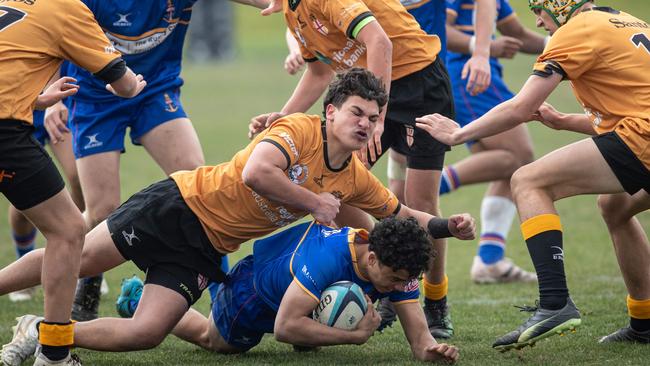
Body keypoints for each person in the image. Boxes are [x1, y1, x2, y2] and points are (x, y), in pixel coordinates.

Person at [0, 68, 474, 362]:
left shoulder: (353, 176)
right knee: (76, 257)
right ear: (330, 112)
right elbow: (255, 172)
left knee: (146, 333)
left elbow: (400, 212)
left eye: (374, 118)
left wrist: (445, 225)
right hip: (178, 207)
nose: (366, 124)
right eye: (357, 113)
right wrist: (314, 203)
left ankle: (40, 330)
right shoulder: (297, 131)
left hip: (206, 248)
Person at [415, 0, 650, 351]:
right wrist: (564, 121)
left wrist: (458, 135)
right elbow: (629, 109)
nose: (538, 22)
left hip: (643, 137)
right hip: (640, 130)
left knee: (527, 180)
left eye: (540, 11)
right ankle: (644, 320)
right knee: (615, 208)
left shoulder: (573, 31)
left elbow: (520, 107)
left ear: (560, 6)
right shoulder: (631, 22)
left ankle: (555, 303)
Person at [254, 0, 458, 340]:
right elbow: (319, 73)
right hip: (368, 98)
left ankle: (436, 300)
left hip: (419, 84)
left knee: (419, 202)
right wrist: (282, 116)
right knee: (337, 186)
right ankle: (386, 274)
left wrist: (377, 114)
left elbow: (382, 43)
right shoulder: (293, 12)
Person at [51, 0, 237, 322]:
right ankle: (89, 279)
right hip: (95, 98)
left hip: (153, 90)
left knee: (200, 185)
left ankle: (224, 295)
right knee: (102, 209)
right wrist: (50, 93)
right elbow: (52, 30)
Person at [0, 0, 146, 363]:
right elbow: (123, 83)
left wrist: (34, 98)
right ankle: (53, 352)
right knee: (68, 230)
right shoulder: (66, 7)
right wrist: (131, 86)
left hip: (12, 116)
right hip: (4, 134)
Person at [119, 217, 460, 362]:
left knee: (310, 332)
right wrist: (354, 337)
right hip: (254, 296)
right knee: (214, 340)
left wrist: (432, 349)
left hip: (299, 296)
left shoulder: (399, 264)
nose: (401, 287)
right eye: (397, 279)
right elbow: (284, 327)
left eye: (407, 280)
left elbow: (420, 340)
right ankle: (141, 299)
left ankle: (212, 263)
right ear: (371, 259)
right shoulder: (329, 258)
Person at [440, 0, 548, 284]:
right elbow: (442, 31)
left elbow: (520, 36)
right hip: (468, 77)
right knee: (521, 156)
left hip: (484, 77)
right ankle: (425, 188)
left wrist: (561, 41)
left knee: (512, 167)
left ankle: (490, 259)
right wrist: (483, 46)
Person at [7, 102, 86, 302]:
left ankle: (82, 263)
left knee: (80, 177)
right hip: (20, 109)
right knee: (22, 202)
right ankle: (25, 266)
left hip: (61, 105)